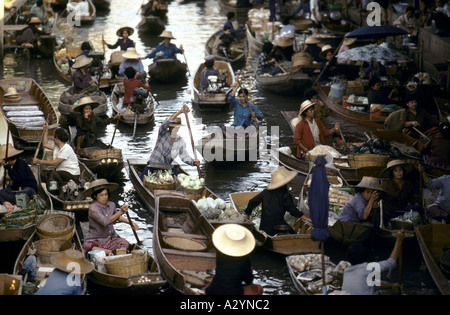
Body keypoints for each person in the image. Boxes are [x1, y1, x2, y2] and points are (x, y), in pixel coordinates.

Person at [243, 166, 309, 236]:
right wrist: (308, 219)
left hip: (264, 227)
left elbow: (252, 201)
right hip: (278, 226)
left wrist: (247, 214)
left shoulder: (266, 192)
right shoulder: (286, 196)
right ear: (286, 184)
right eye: (289, 183)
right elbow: (293, 211)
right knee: (294, 234)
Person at [140, 105, 200, 180]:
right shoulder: (163, 133)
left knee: (182, 179)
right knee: (143, 178)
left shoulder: (180, 141)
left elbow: (184, 156)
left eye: (177, 127)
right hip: (153, 165)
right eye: (173, 126)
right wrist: (180, 112)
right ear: (170, 126)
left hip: (167, 168)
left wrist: (194, 162)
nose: (175, 128)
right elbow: (165, 123)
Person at [82, 179, 138, 255]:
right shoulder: (93, 208)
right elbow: (105, 222)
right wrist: (121, 211)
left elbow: (117, 217)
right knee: (88, 246)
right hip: (97, 239)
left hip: (110, 238)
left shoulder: (112, 205)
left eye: (106, 194)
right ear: (95, 196)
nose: (104, 197)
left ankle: (108, 251)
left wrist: (131, 222)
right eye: (101, 195)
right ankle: (109, 252)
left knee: (125, 243)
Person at [342, 229, 405, 295]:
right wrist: (398, 241)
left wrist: (390, 285)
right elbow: (391, 262)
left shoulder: (347, 271)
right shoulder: (367, 268)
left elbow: (373, 283)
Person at [205, 224, 262, 295]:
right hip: (234, 293)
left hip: (214, 291)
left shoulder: (220, 253)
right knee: (259, 288)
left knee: (210, 285)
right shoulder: (244, 259)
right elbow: (248, 280)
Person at [31, 124, 80, 195]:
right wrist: (46, 130)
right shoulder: (56, 146)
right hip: (62, 172)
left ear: (57, 139)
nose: (53, 139)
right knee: (43, 174)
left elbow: (55, 163)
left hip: (72, 174)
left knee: (53, 174)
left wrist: (38, 161)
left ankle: (53, 191)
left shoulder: (67, 148)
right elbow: (45, 144)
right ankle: (51, 186)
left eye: (54, 137)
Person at [379, 160, 421, 225]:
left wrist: (415, 203)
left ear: (403, 171)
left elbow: (410, 197)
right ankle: (393, 222)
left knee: (418, 209)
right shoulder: (386, 184)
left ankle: (401, 221)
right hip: (390, 211)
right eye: (395, 171)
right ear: (392, 173)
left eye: (400, 170)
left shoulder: (408, 184)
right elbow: (379, 197)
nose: (398, 173)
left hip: (402, 209)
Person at [0, 144, 38, 212]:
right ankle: (13, 201)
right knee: (2, 192)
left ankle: (18, 202)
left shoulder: (21, 163)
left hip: (28, 188)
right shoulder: (15, 165)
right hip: (19, 190)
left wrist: (8, 168)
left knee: (24, 194)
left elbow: (18, 179)